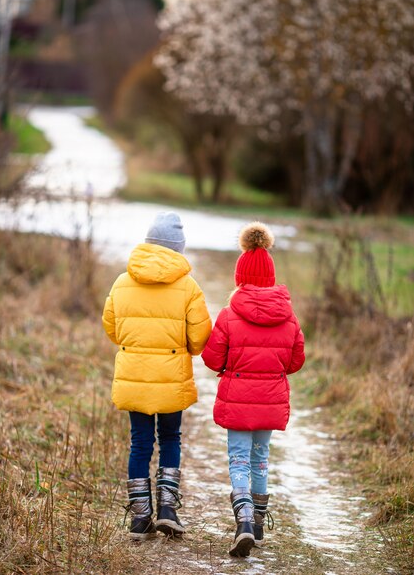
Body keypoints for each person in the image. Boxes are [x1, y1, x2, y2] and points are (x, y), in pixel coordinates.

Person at [102, 211, 212, 540]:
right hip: (171, 377)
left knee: (139, 444)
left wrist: (136, 345)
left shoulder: (122, 282)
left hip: (134, 374)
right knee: (169, 439)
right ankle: (167, 509)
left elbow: (112, 328)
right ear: (178, 248)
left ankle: (140, 518)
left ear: (148, 243)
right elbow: (199, 338)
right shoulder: (188, 287)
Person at [202, 222, 305, 558]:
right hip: (271, 401)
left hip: (238, 401)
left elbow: (212, 356)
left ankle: (244, 521)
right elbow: (295, 360)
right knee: (261, 459)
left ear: (239, 276)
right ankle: (257, 525)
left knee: (239, 459)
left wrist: (227, 367)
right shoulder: (287, 316)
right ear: (271, 277)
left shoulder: (230, 314)